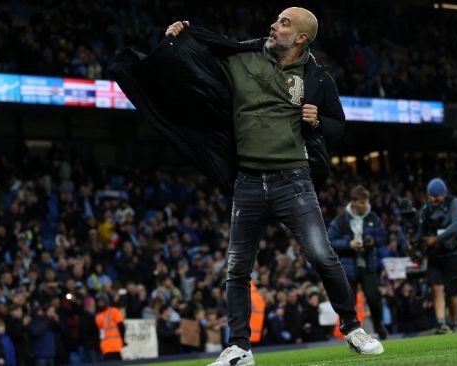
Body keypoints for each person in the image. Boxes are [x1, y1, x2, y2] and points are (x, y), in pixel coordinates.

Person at [161, 8, 383, 365]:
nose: (273, 25)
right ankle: (239, 347)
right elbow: (202, 57)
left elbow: (340, 127)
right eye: (277, 20)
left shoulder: (318, 78)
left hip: (293, 180)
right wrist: (183, 33)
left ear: (300, 38)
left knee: (323, 256)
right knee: (236, 268)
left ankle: (354, 328)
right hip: (247, 180)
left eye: (284, 23)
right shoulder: (243, 57)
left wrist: (319, 121)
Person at [328, 185, 388, 339]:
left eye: (366, 202)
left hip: (367, 264)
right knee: (349, 301)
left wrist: (372, 241)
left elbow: (383, 237)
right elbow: (330, 241)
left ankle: (378, 325)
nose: (365, 205)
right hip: (348, 266)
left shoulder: (373, 218)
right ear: (353, 202)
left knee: (374, 298)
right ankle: (350, 331)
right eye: (362, 202)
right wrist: (349, 245)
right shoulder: (340, 220)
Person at [414, 178, 457, 334]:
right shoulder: (426, 209)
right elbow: (421, 231)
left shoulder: (454, 203)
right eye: (431, 196)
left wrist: (437, 239)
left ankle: (454, 322)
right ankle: (441, 324)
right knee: (436, 287)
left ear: (443, 194)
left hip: (454, 253)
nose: (433, 199)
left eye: (436, 196)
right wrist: (415, 241)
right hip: (435, 254)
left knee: (452, 293)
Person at [94, 292, 125, 360]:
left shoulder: (114, 311)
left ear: (106, 301)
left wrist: (122, 340)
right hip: (105, 348)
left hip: (115, 346)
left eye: (102, 301)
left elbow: (121, 327)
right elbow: (99, 333)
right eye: (98, 302)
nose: (100, 304)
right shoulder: (98, 317)